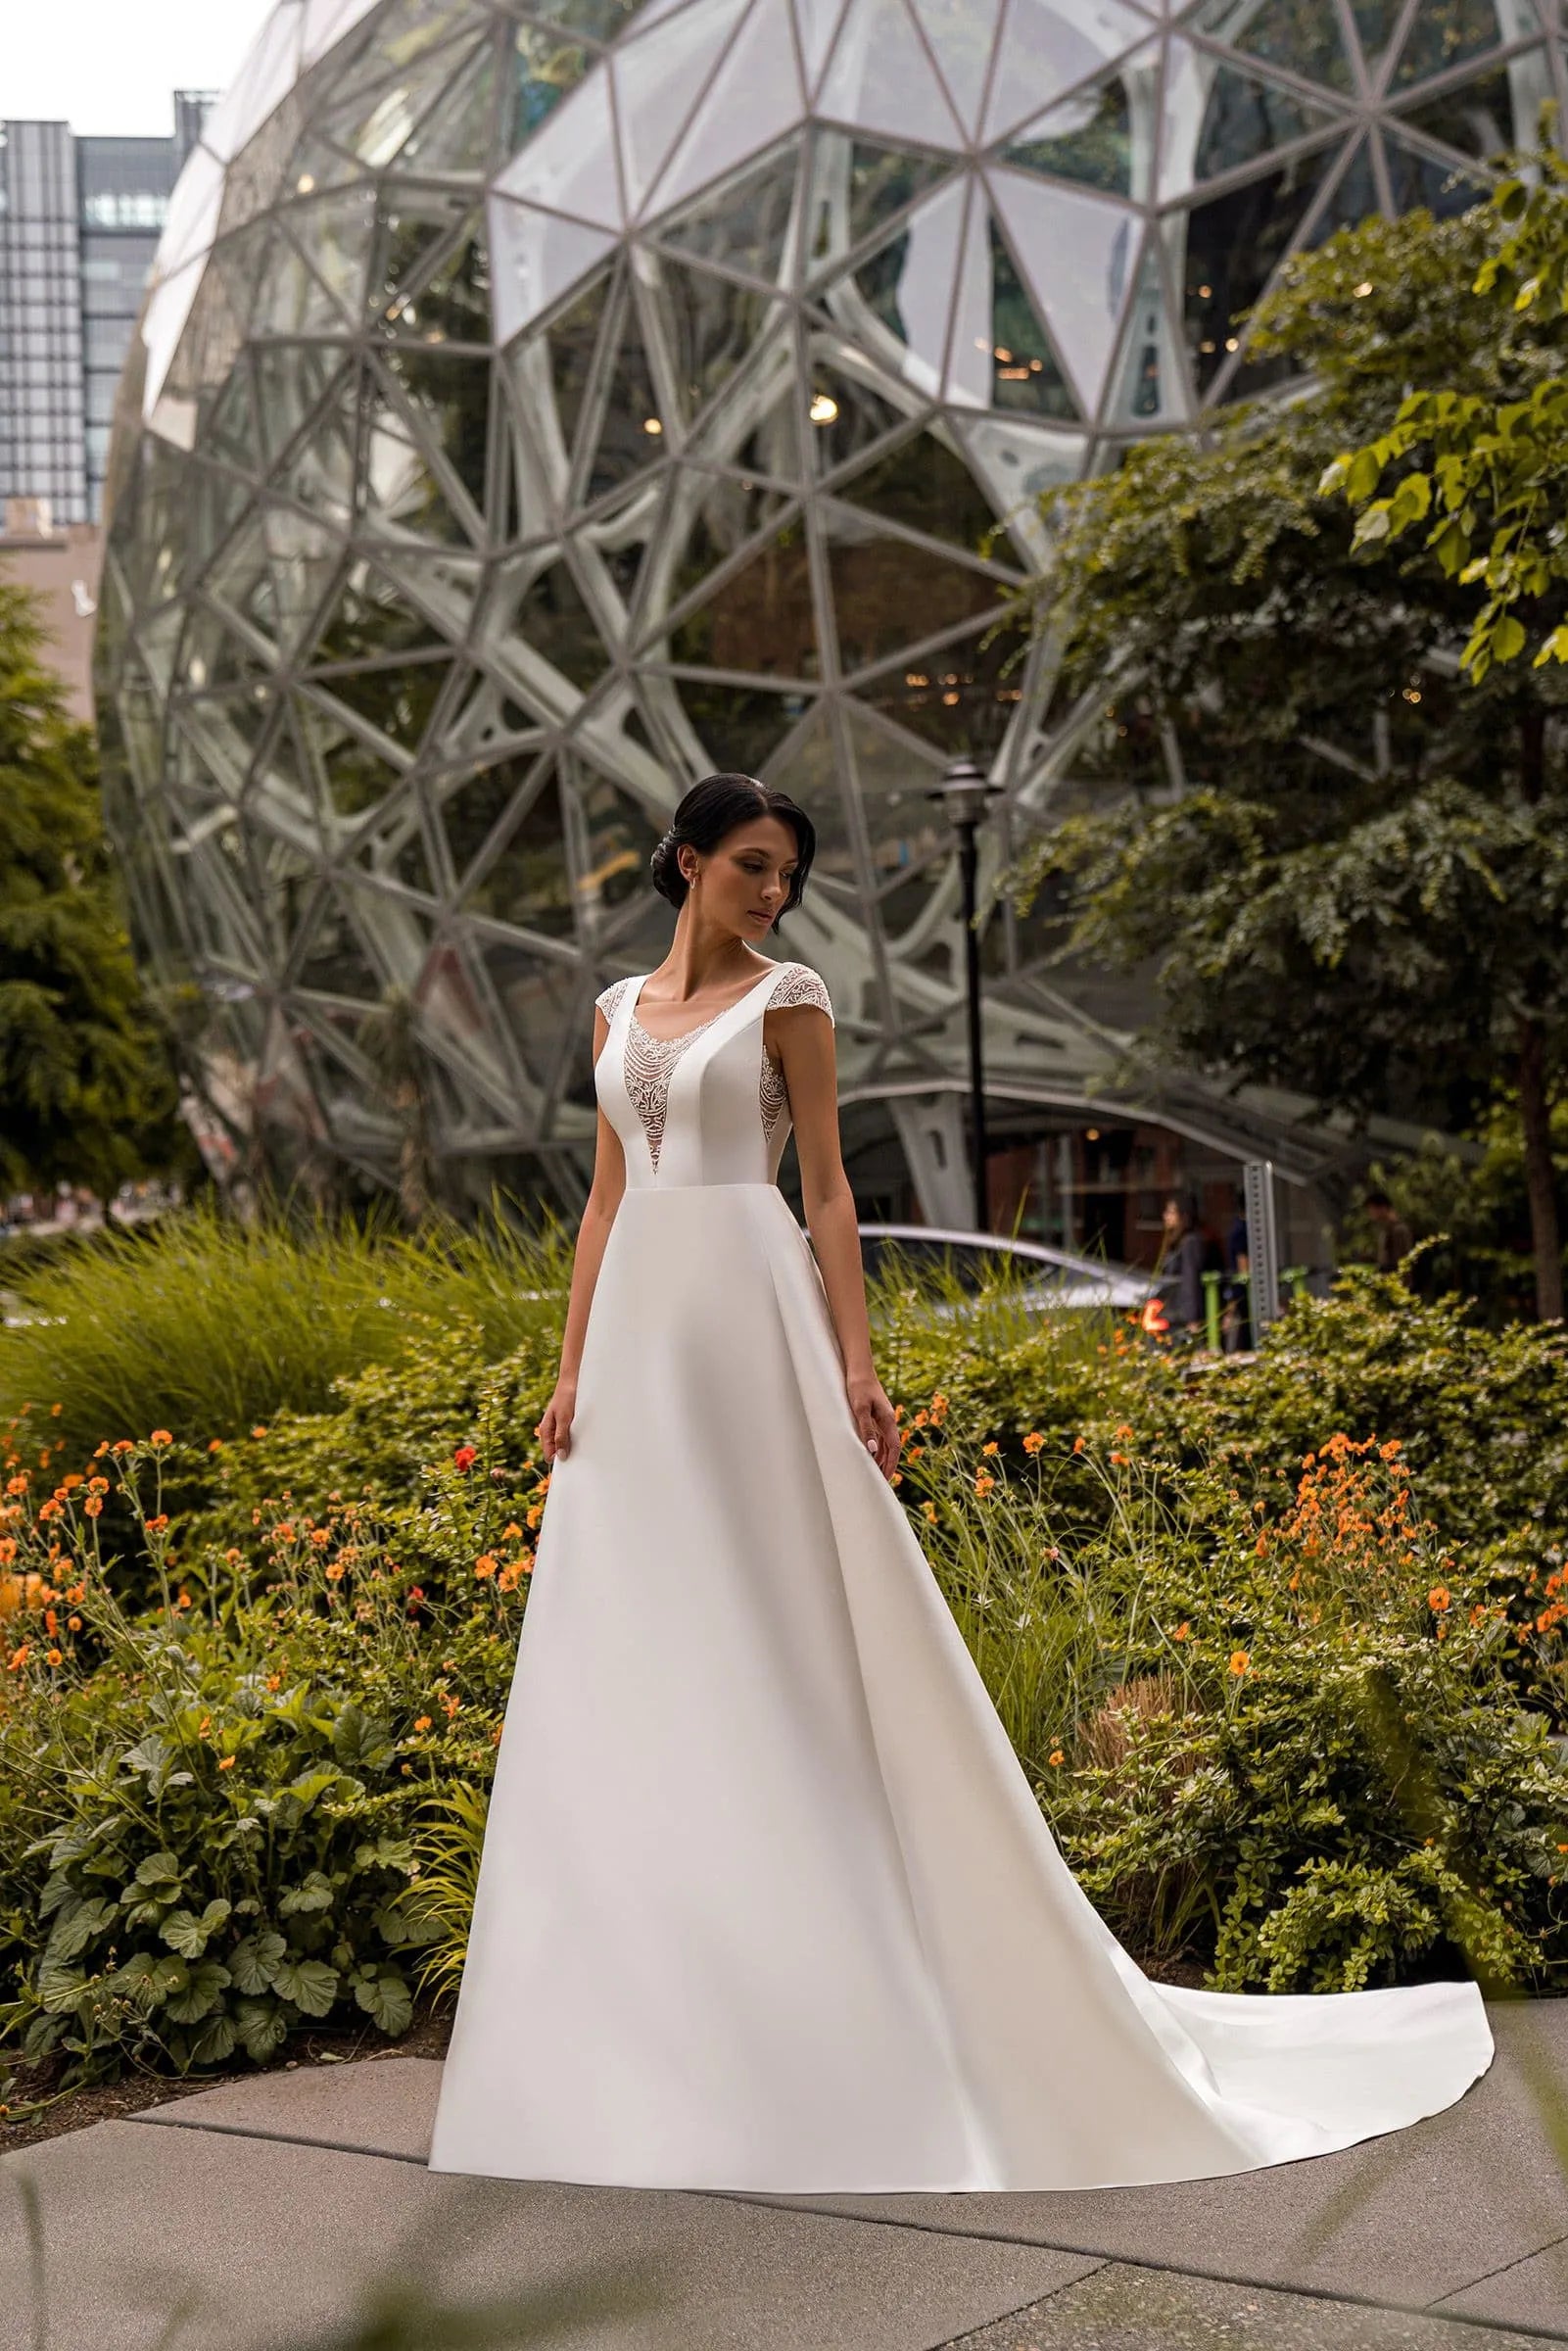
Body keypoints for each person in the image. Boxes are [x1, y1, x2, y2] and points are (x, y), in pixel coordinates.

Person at [427, 772, 1492, 2194]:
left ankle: (849, 1976)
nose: (772, 890)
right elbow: (606, 1202)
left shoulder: (791, 996)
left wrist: (859, 1368)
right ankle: (645, 2024)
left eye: (787, 871)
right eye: (750, 865)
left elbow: (826, 1194)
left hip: (753, 1319)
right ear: (684, 863)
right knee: (636, 1647)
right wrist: (568, 1376)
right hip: (639, 1345)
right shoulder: (618, 1013)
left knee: (784, 1627)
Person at [1161, 1191, 1208, 1342]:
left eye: (1171, 1212)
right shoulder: (1175, 1243)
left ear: (1183, 1216)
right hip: (1172, 1313)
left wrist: (1192, 1318)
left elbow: (1191, 1279)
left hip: (1182, 1315)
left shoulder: (1189, 1242)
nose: (1166, 1216)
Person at [1365, 1187, 1416, 1276]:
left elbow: (1402, 1262)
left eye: (1372, 1209)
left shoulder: (1399, 1230)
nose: (1370, 1213)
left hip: (1397, 1284)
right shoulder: (1386, 1230)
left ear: (1383, 1208)